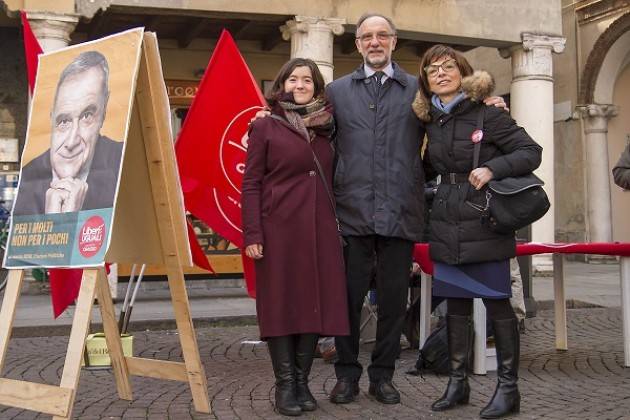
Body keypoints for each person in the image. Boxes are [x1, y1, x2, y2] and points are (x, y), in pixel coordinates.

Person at [326, 13, 507, 406]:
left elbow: (452, 125)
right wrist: (269, 116)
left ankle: (382, 376)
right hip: (350, 211)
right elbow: (316, 134)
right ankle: (346, 375)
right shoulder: (336, 91)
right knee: (347, 299)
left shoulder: (418, 90)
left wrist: (485, 107)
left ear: (393, 41)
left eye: (382, 36)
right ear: (357, 44)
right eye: (367, 37)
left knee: (393, 300)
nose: (375, 42)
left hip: (401, 210)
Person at [412, 44, 542, 418]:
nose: (440, 73)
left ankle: (508, 389)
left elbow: (531, 152)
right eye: (432, 68)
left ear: (463, 72)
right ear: (425, 80)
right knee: (455, 306)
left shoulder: (488, 114)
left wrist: (493, 169)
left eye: (448, 66)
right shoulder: (427, 124)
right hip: (446, 221)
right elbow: (422, 169)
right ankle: (458, 384)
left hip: (484, 222)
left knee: (497, 304)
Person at [241, 58, 349, 417]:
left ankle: (303, 383)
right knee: (280, 308)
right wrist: (253, 232)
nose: (299, 85)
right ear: (282, 84)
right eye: (293, 79)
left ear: (317, 88)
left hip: (320, 230)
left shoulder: (329, 127)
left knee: (314, 306)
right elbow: (252, 183)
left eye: (307, 80)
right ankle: (285, 385)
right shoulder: (266, 127)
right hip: (278, 231)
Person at [13, 51, 123, 216]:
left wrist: (70, 219)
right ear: (52, 117)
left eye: (87, 116)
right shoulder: (29, 176)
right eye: (63, 121)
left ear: (104, 110)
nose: (71, 142)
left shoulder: (124, 162)